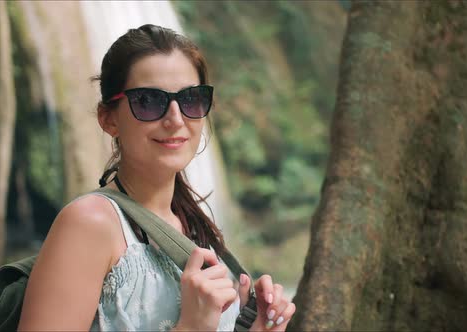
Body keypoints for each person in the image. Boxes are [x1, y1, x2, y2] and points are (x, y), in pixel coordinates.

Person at [17, 24, 296, 331]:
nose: (175, 119)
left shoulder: (193, 225)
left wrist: (255, 326)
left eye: (190, 99)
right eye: (148, 101)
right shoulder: (89, 224)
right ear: (108, 118)